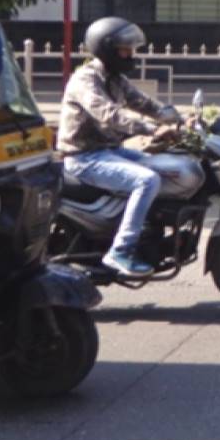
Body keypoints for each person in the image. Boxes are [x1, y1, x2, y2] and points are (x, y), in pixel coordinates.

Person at [58, 17, 181, 276]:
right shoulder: (85, 79)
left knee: (165, 168)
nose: (130, 54)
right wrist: (151, 129)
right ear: (107, 49)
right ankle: (121, 251)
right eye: (125, 49)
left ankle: (146, 230)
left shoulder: (116, 79)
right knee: (146, 180)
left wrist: (178, 118)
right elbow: (109, 114)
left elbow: (146, 104)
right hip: (84, 158)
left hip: (109, 152)